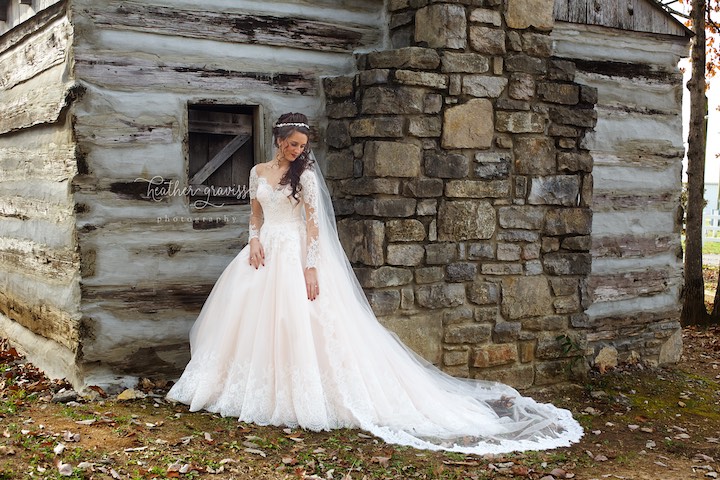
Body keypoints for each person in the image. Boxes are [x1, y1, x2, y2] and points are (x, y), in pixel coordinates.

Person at [166, 112, 583, 454]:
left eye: (302, 146)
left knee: (296, 321)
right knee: (252, 320)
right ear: (278, 141)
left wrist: (310, 268)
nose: (297, 151)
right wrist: (254, 241)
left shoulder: (306, 177)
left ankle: (306, 392)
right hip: (263, 253)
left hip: (295, 253)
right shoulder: (258, 171)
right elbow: (255, 214)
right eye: (292, 144)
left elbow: (314, 228)